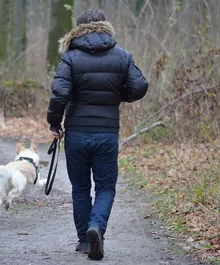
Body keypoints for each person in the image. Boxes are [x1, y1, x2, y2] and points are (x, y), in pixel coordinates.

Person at [46, 9, 148, 260]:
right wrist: (116, 96)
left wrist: (54, 123)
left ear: (78, 29)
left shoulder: (70, 57)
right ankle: (97, 227)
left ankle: (84, 240)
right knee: (105, 187)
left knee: (80, 188)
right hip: (107, 132)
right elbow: (140, 86)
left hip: (77, 133)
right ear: (105, 27)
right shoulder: (122, 55)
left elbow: (60, 93)